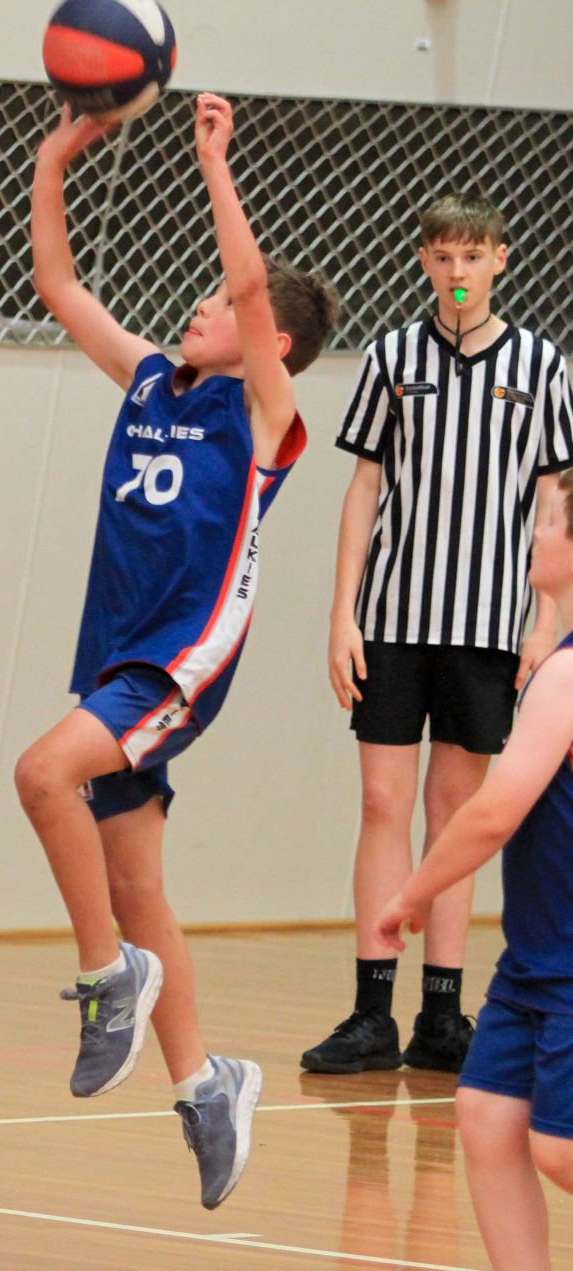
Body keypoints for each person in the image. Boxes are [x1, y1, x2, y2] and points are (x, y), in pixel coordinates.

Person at [14, 94, 338, 1209]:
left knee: (41, 773)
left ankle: (107, 976)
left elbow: (246, 284)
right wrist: (53, 159)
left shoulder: (263, 417)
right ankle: (206, 1084)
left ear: (271, 343)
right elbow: (61, 287)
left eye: (223, 304)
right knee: (136, 884)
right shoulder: (153, 378)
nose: (200, 306)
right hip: (114, 655)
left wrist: (215, 165)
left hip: (179, 661)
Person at [302, 192, 573, 1076]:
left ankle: (442, 1015)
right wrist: (342, 612)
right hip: (392, 620)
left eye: (473, 256)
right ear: (424, 261)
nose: (458, 273)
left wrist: (545, 620)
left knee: (456, 811)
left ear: (501, 259)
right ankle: (371, 1011)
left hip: (490, 627)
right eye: (443, 257)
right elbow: (364, 489)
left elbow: (554, 498)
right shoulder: (391, 356)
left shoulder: (540, 364)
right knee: (383, 802)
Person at [375, 468, 573, 1271]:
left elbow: (493, 811)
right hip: (536, 960)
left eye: (550, 520)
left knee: (561, 1148)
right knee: (488, 1115)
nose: (535, 533)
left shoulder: (566, 674)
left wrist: (411, 893)